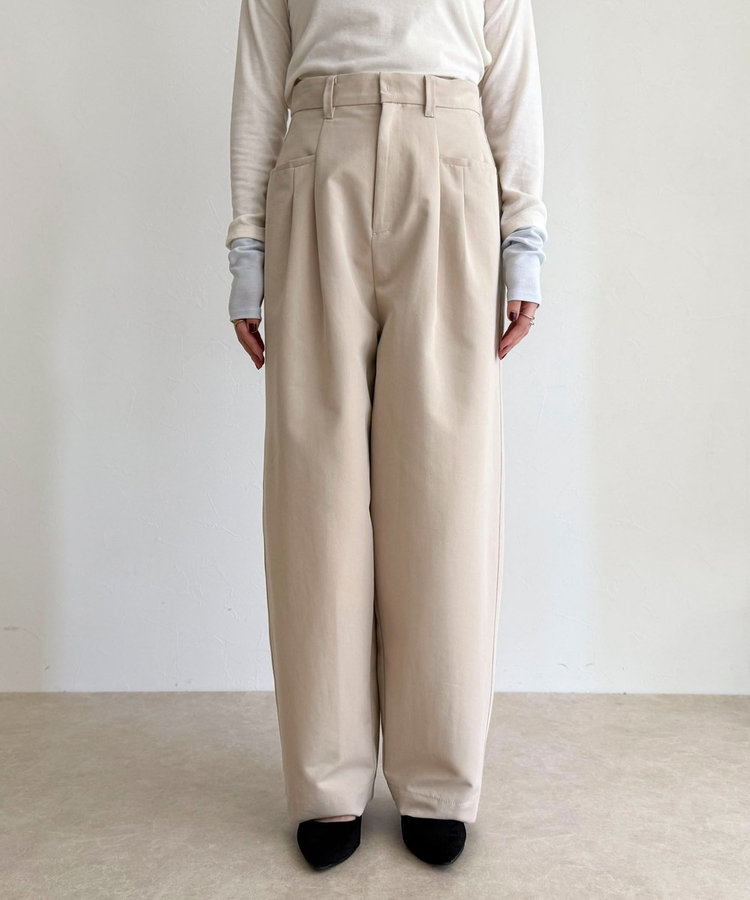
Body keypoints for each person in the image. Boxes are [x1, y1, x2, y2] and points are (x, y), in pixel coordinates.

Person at [225, 0, 547, 871]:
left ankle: (437, 779)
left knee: (444, 487)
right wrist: (246, 249)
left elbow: (511, 70)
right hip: (317, 154)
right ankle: (326, 780)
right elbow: (259, 77)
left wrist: (526, 237)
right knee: (315, 492)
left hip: (451, 155)